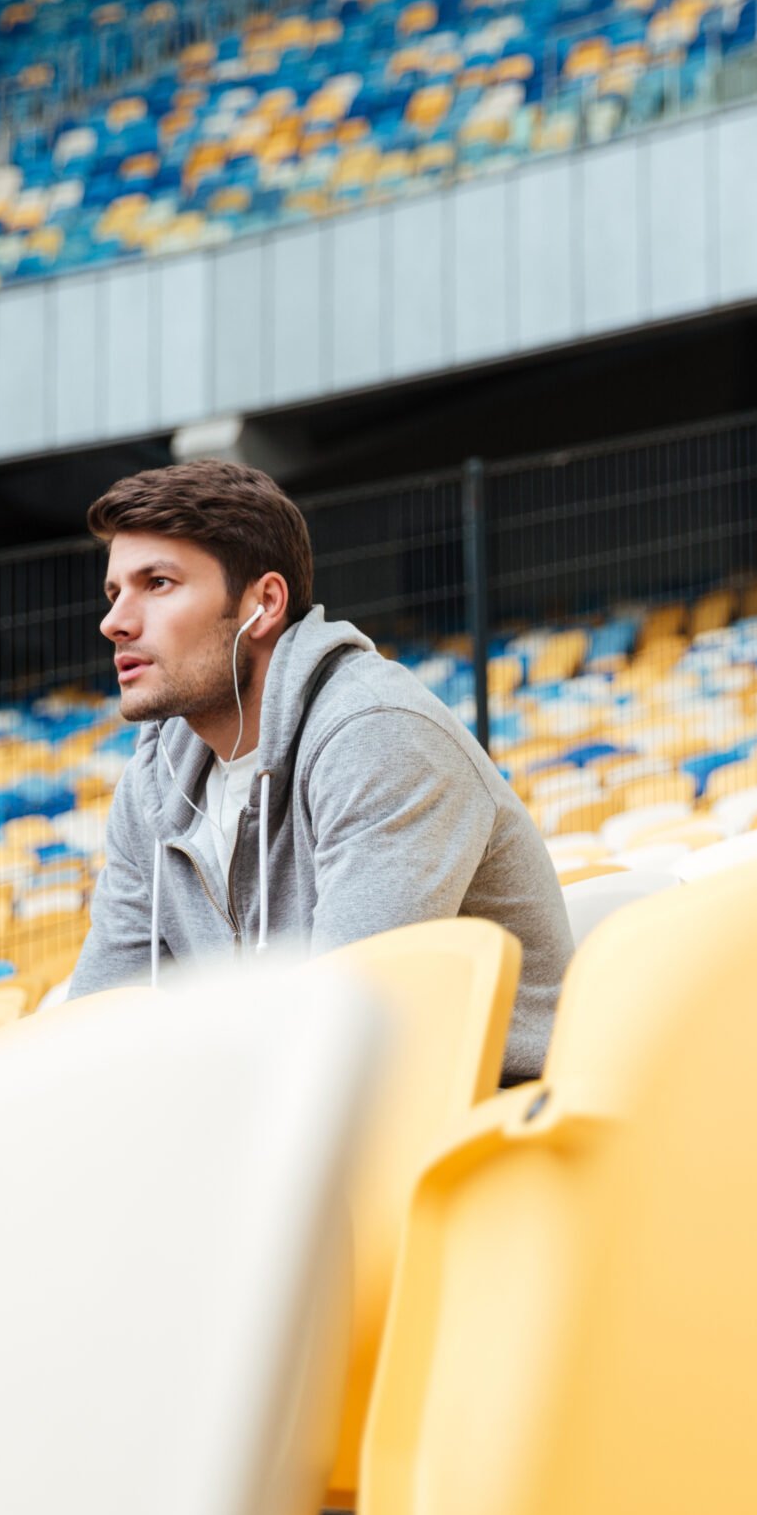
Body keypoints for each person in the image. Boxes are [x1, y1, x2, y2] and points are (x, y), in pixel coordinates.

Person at [67, 459, 572, 1083]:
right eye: (115, 593)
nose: (114, 621)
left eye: (159, 583)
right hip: (304, 1117)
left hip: (481, 1116)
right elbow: (89, 1027)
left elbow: (342, 1029)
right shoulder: (154, 781)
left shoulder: (377, 734)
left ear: (264, 604)